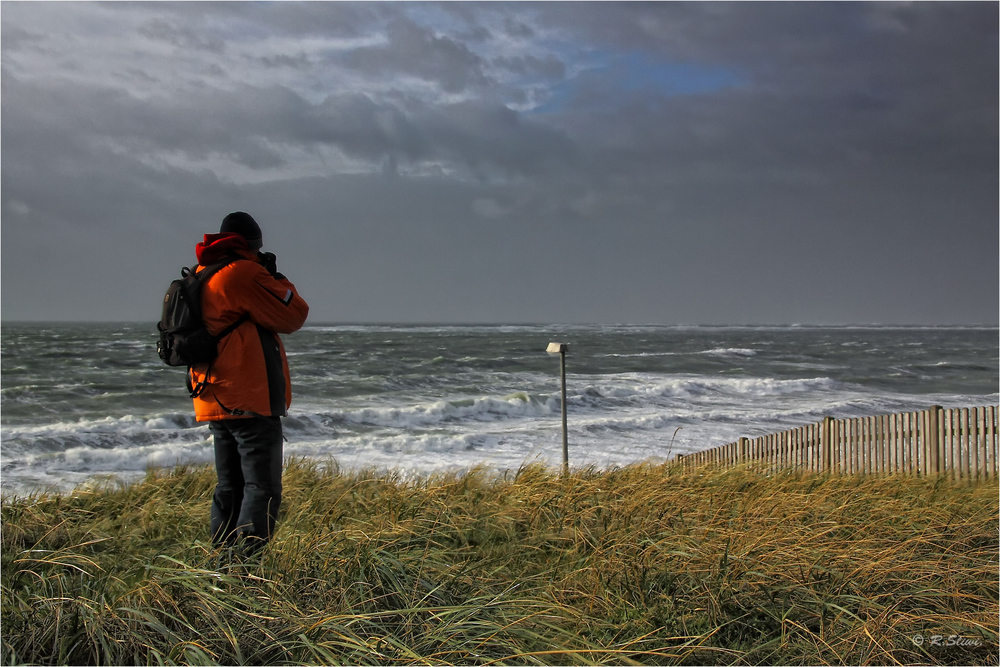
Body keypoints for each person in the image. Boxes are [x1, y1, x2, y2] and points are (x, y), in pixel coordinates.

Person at [189, 211, 309, 558]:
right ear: (252, 245)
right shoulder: (243, 274)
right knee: (262, 488)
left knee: (230, 487)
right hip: (248, 395)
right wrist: (276, 276)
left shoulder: (203, 274)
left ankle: (220, 566)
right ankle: (245, 571)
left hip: (213, 394)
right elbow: (294, 314)